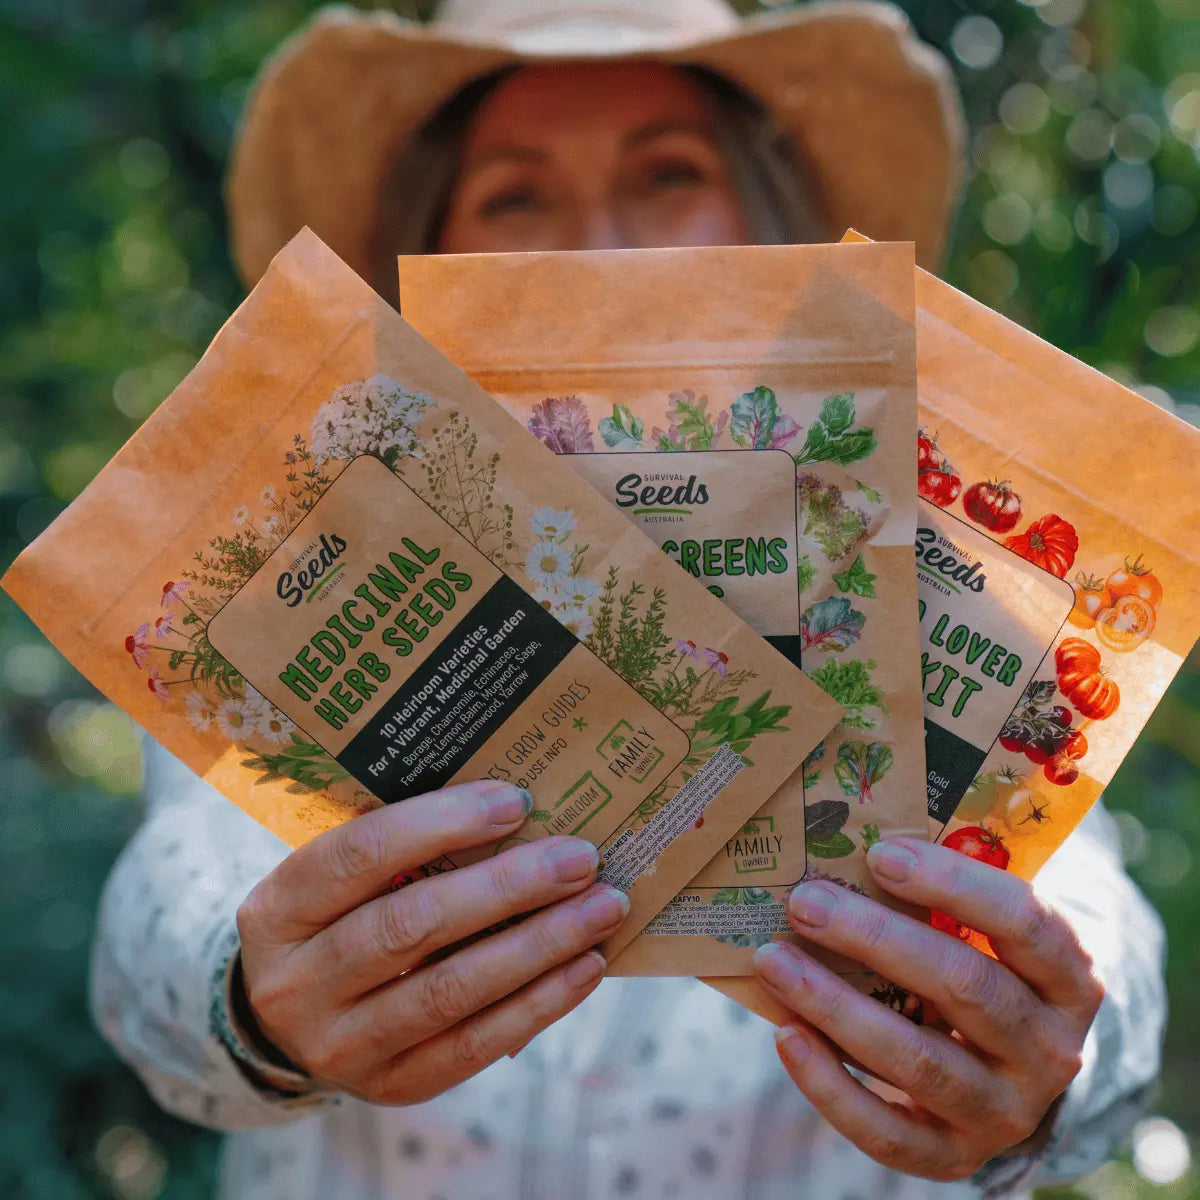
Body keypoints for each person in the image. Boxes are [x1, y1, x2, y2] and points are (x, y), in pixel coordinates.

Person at [91, 2, 1167, 1197]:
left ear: (773, 228)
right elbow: (171, 899)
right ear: (425, 253)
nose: (596, 242)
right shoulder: (303, 566)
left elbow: (1085, 909)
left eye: (668, 173)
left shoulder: (915, 551)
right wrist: (248, 1005)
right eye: (514, 193)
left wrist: (1051, 1054)